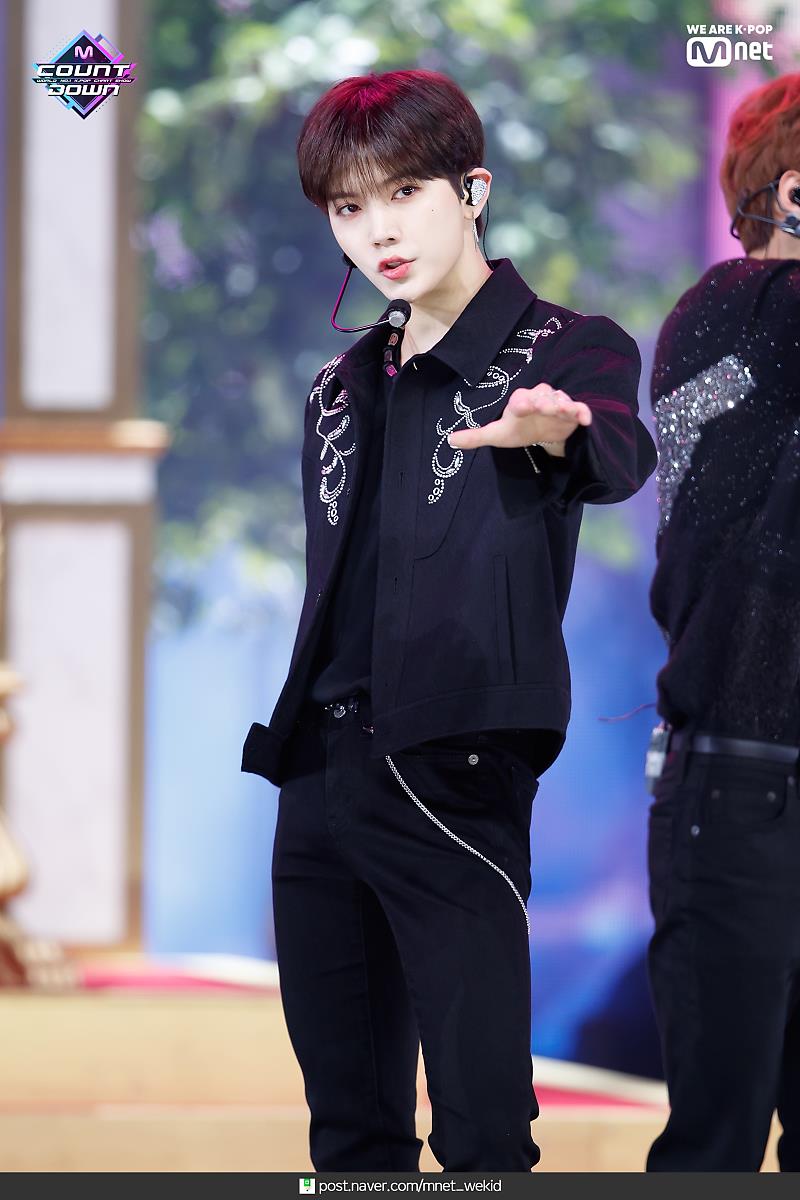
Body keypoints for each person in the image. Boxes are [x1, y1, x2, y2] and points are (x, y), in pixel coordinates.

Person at [242, 68, 656, 1173]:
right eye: (348, 206)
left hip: (451, 766)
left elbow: (616, 450)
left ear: (471, 191)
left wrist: (558, 432)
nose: (377, 231)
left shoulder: (565, 347)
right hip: (318, 775)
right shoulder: (338, 386)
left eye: (404, 193)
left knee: (481, 1135)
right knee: (349, 1139)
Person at [645, 71, 800, 1172]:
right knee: (715, 1147)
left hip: (744, 776)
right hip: (744, 782)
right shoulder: (750, 307)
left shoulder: (724, 321)